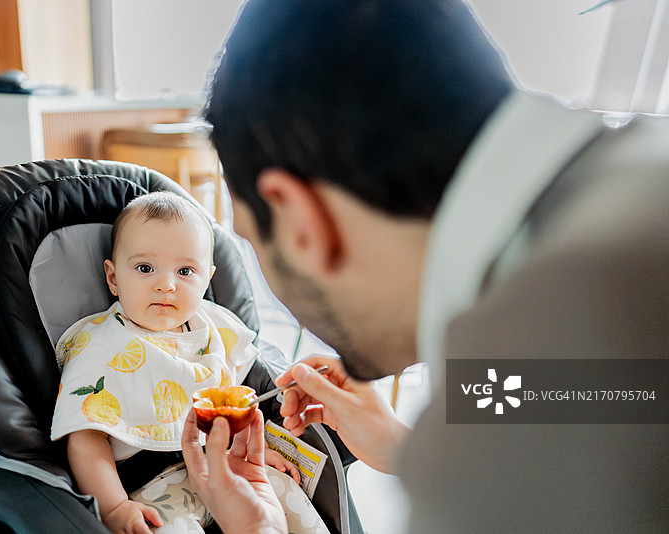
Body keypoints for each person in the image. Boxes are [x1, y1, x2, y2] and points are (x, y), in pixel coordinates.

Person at [180, 0, 669, 532]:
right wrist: (402, 447)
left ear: (299, 221)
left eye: (252, 242)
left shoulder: (555, 326)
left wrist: (258, 529)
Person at [51, 192, 326, 534]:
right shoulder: (100, 346)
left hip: (223, 465)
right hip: (150, 484)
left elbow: (231, 402)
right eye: (145, 268)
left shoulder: (216, 328)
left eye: (185, 271)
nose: (166, 285)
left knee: (286, 493)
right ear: (114, 278)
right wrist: (114, 506)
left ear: (206, 279)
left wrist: (249, 453)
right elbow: (85, 439)